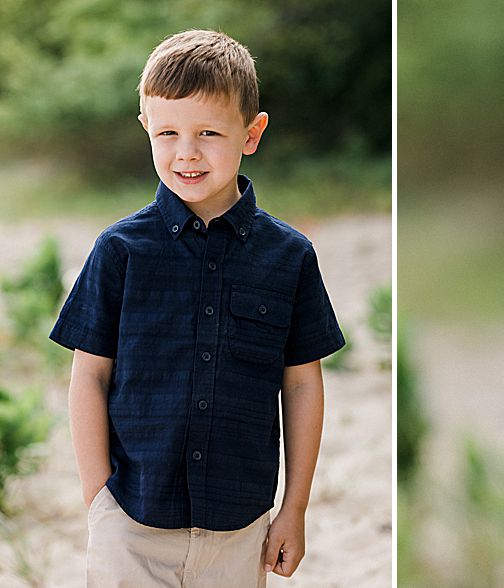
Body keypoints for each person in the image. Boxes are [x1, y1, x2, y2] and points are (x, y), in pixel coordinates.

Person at [50, 30, 345, 587]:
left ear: (251, 134)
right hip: (131, 520)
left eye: (209, 132)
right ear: (147, 129)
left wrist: (295, 508)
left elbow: (303, 384)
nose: (186, 152)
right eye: (168, 133)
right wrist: (98, 500)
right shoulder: (119, 250)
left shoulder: (290, 256)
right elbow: (89, 374)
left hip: (240, 524)